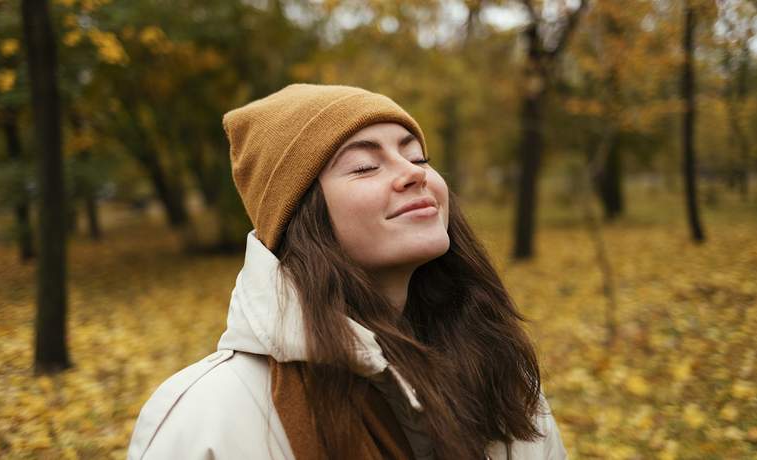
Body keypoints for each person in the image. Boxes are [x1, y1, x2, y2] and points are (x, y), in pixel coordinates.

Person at [127, 84, 567, 460]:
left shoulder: (497, 368)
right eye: (364, 166)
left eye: (418, 157)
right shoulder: (209, 416)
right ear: (301, 216)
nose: (412, 174)